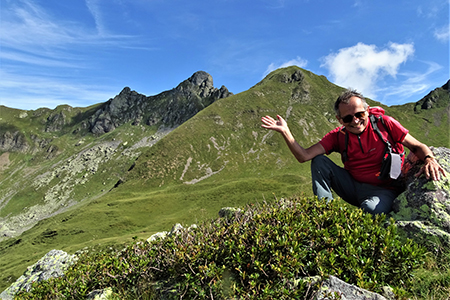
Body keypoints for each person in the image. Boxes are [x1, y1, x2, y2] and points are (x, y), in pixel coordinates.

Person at [261, 89, 446, 215]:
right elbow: (304, 156)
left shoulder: (384, 123)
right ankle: (326, 215)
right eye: (348, 117)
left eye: (359, 114)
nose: (355, 121)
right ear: (339, 119)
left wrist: (430, 159)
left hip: (385, 189)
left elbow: (417, 146)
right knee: (319, 161)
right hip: (352, 186)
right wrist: (286, 132)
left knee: (371, 210)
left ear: (367, 110)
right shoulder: (337, 136)